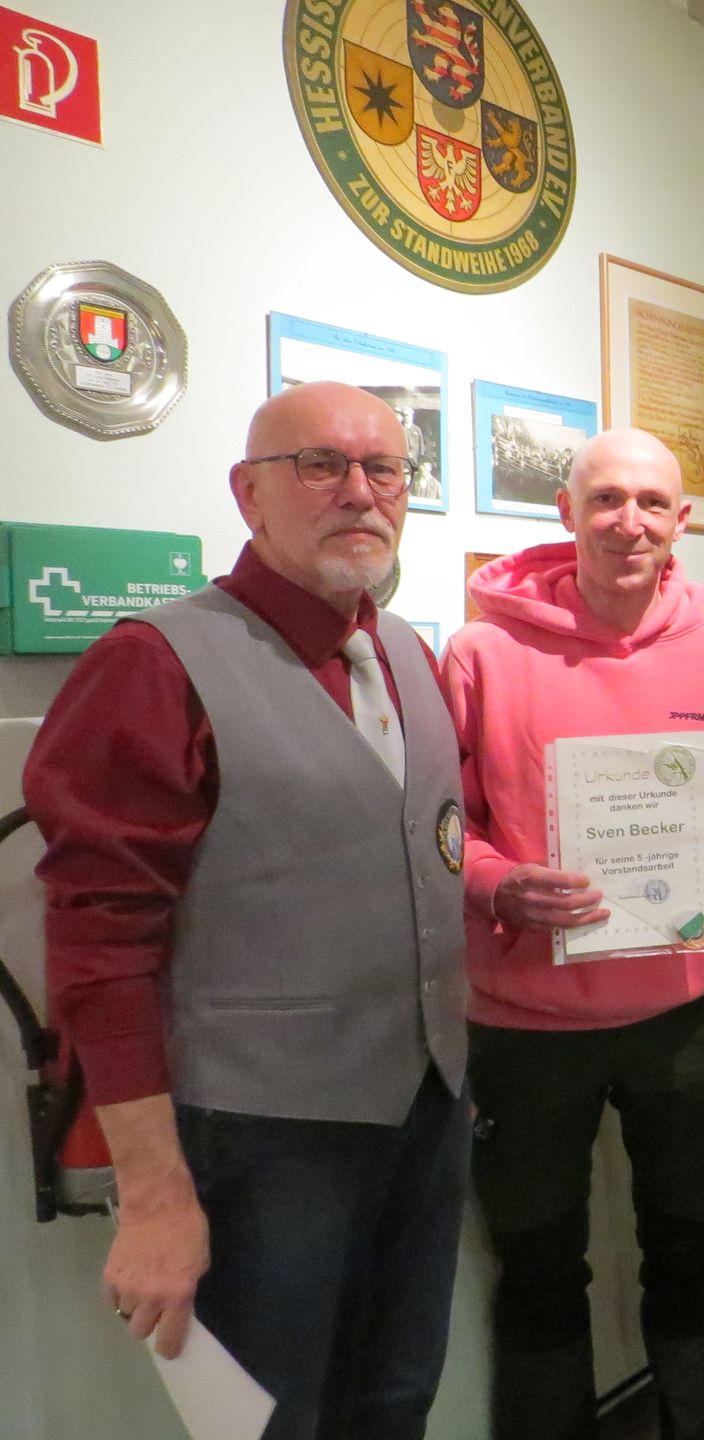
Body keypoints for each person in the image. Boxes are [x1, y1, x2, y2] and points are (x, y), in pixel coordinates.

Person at [24, 381, 469, 1440]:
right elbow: (99, 947)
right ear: (249, 493)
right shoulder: (153, 663)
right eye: (320, 465)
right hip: (263, 1138)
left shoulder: (405, 653)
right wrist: (154, 1193)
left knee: (394, 1401)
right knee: (272, 1424)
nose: (359, 493)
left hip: (426, 1111)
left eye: (385, 470)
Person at [440, 427, 704, 1440]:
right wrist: (497, 883)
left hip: (696, 1020)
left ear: (681, 521)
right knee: (537, 1267)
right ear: (566, 513)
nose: (627, 522)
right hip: (524, 1027)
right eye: (605, 499)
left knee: (688, 1255)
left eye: (650, 502)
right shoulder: (480, 654)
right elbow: (434, 826)